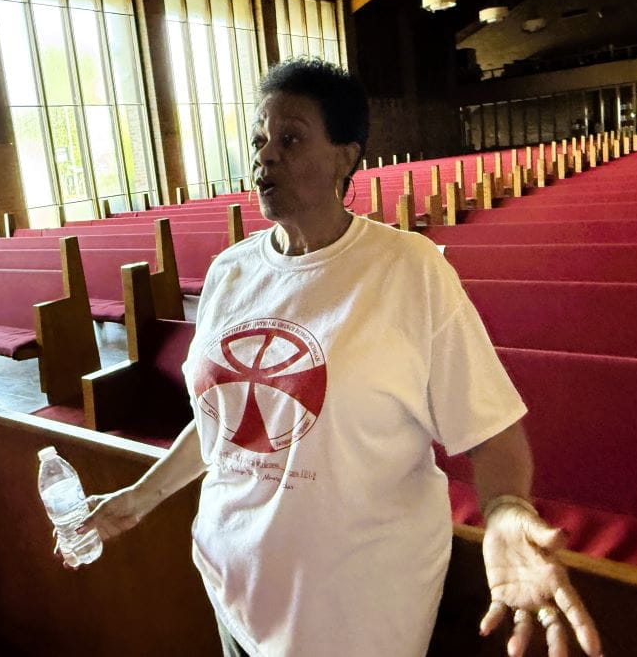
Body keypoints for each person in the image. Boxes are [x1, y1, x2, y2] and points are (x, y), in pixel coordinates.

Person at [75, 58, 602, 657]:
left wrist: (506, 509)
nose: (266, 155)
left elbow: (492, 428)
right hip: (234, 584)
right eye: (259, 140)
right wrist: (141, 497)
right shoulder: (231, 271)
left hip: (360, 606)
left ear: (345, 157)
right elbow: (228, 419)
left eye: (291, 138)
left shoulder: (407, 267)